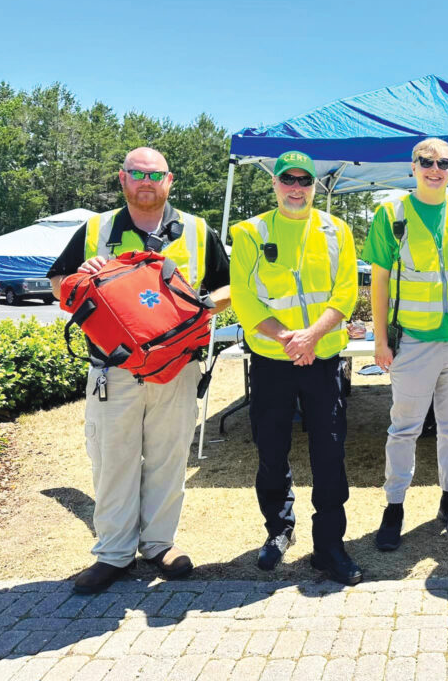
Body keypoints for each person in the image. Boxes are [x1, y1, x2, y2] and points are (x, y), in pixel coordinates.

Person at [48, 147, 231, 594]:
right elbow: (58, 284)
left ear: (169, 181)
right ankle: (113, 554)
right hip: (114, 371)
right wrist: (82, 276)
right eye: (136, 173)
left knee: (169, 460)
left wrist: (202, 305)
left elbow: (229, 285)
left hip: (178, 368)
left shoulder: (196, 229)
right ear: (122, 178)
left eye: (155, 175)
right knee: (114, 461)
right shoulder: (96, 229)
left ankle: (158, 545)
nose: (145, 181)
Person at [229, 151, 362, 585]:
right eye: (289, 179)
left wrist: (310, 338)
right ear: (275, 184)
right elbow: (245, 299)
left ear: (314, 186)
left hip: (321, 360)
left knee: (329, 456)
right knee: (271, 452)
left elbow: (345, 294)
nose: (297, 186)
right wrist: (290, 338)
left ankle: (329, 548)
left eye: (305, 179)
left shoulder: (336, 230)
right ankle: (278, 531)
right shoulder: (250, 232)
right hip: (272, 360)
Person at [364, 137, 448, 551]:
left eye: (444, 162)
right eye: (427, 161)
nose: (435, 168)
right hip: (414, 341)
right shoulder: (391, 212)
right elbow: (378, 281)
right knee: (404, 429)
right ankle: (394, 506)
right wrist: (381, 339)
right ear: (413, 166)